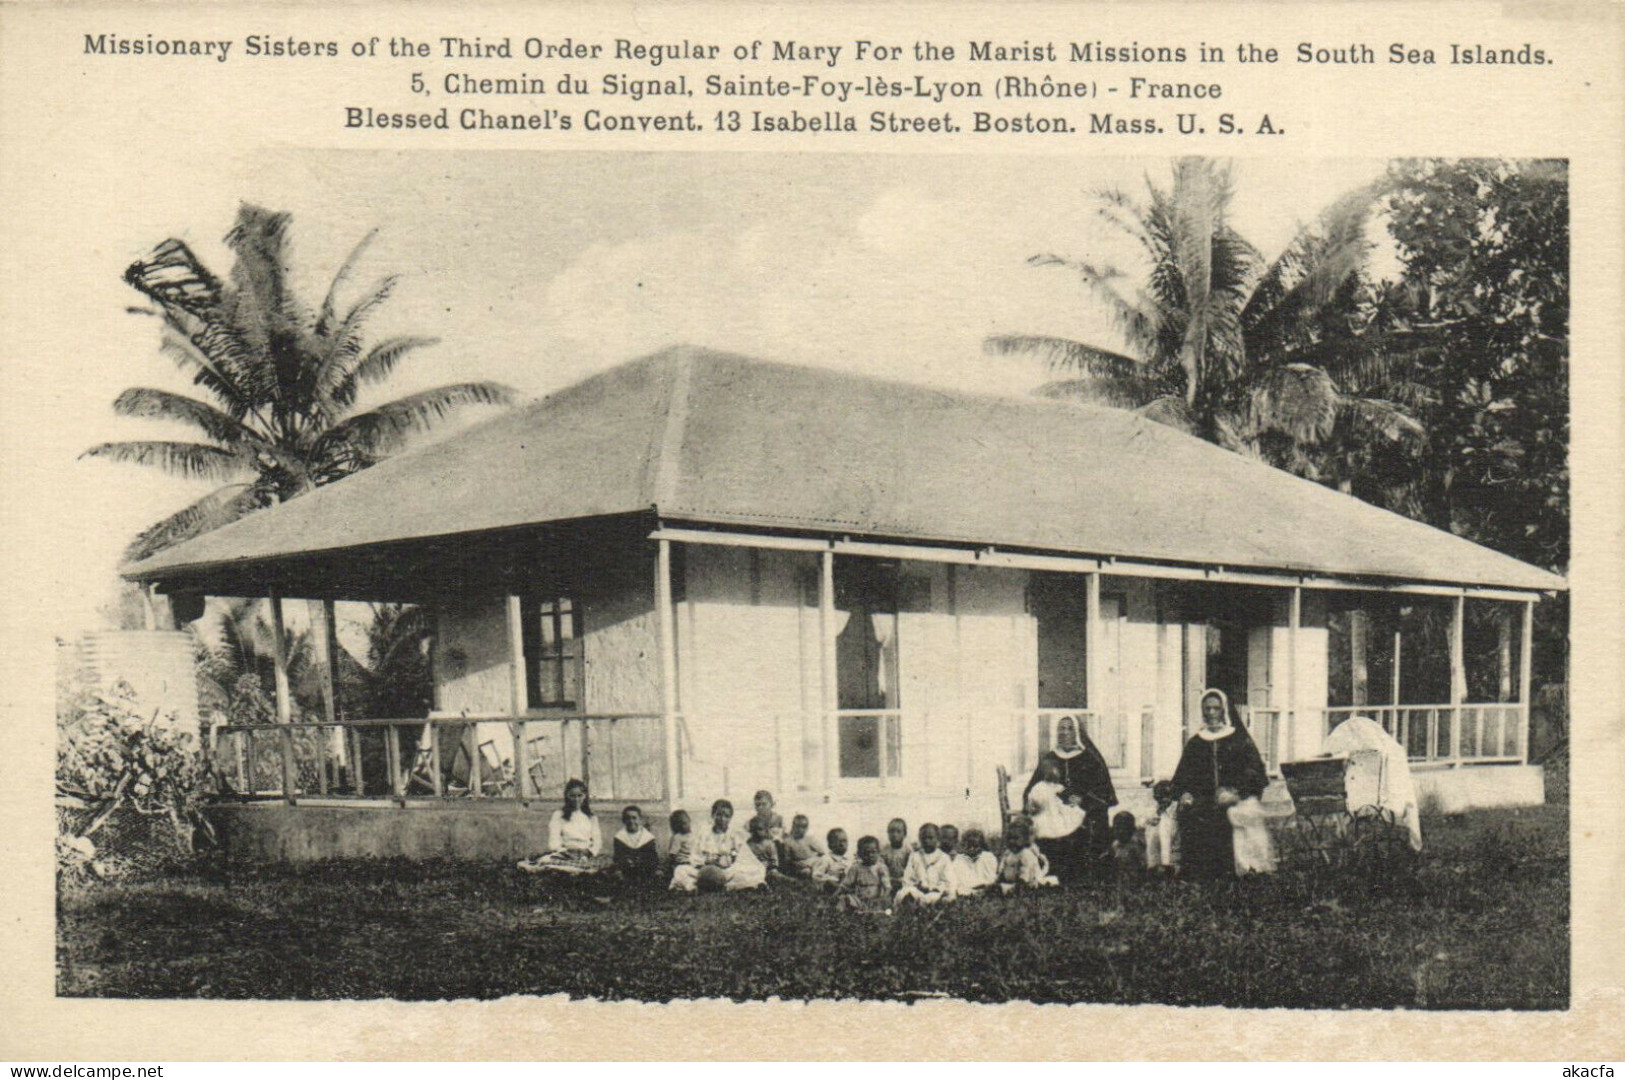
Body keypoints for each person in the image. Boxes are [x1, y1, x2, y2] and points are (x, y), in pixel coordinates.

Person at [1169, 688, 1270, 880]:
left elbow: (1254, 772)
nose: (1211, 713)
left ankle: (1238, 872)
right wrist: (1185, 793)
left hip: (1233, 799)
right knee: (1192, 815)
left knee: (1229, 817)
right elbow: (1182, 776)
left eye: (1216, 708)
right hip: (1203, 800)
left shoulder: (1239, 739)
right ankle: (1197, 874)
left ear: (1224, 710)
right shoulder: (1196, 742)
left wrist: (1237, 793)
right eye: (1207, 709)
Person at [1022, 713, 1116, 882]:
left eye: (1069, 729)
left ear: (1077, 733)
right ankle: (1048, 871)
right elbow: (1032, 788)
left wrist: (1083, 800)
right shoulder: (1049, 758)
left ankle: (1081, 874)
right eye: (1061, 729)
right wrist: (1032, 803)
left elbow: (1103, 791)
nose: (1065, 733)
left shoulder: (1090, 758)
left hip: (1082, 810)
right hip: (1051, 812)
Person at [670, 799, 767, 892]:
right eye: (719, 815)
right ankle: (692, 887)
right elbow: (694, 856)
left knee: (756, 869)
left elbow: (744, 858)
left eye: (726, 816)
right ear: (713, 815)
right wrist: (706, 861)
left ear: (730, 818)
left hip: (727, 872)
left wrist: (729, 860)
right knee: (681, 870)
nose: (722, 819)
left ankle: (728, 886)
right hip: (705, 872)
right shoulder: (703, 834)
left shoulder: (735, 835)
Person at [895, 823, 952, 906]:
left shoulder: (944, 858)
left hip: (935, 892)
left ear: (937, 839)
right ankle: (909, 911)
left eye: (930, 838)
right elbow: (907, 878)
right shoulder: (914, 856)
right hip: (918, 890)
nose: (926, 841)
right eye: (923, 838)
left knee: (930, 899)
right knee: (902, 894)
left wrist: (934, 888)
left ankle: (923, 911)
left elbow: (947, 881)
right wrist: (916, 885)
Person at [997, 817, 1057, 893]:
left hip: (1027, 879)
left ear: (1025, 839)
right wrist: (1000, 876)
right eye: (1009, 838)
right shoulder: (1008, 853)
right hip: (1011, 880)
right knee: (1002, 887)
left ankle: (1048, 883)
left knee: (1032, 885)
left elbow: (1024, 870)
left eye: (1016, 838)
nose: (1011, 841)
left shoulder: (1025, 853)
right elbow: (1002, 866)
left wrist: (1021, 882)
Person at [837, 836, 892, 913]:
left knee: (884, 906)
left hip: (875, 900)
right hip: (859, 899)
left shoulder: (881, 868)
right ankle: (846, 912)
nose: (870, 855)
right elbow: (845, 885)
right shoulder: (856, 868)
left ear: (878, 852)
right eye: (866, 853)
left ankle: (871, 912)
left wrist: (882, 898)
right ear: (859, 854)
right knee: (845, 899)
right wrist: (836, 895)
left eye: (873, 852)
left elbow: (887, 887)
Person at [612, 805, 660, 886]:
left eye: (634, 818)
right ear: (624, 820)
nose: (631, 821)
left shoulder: (648, 837)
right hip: (627, 870)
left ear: (640, 820)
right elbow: (618, 857)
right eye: (628, 818)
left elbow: (653, 857)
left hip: (644, 869)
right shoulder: (619, 837)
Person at [947, 827, 998, 898]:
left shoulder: (988, 857)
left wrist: (986, 885)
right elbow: (956, 877)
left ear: (982, 846)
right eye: (968, 846)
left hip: (984, 886)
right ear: (964, 846)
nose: (972, 849)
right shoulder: (959, 858)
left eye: (975, 846)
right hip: (966, 888)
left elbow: (991, 876)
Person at [1145, 779, 1180, 874]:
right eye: (1159, 797)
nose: (1164, 800)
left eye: (1167, 796)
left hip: (1173, 851)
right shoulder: (1155, 810)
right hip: (1157, 851)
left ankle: (1168, 866)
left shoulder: (1176, 810)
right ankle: (1154, 866)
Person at [779, 813, 826, 879]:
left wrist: (815, 860)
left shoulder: (809, 839)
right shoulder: (788, 841)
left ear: (807, 828)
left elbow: (822, 852)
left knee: (823, 861)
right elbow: (787, 859)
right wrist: (796, 864)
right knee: (806, 872)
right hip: (800, 864)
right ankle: (814, 877)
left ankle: (818, 876)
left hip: (813, 862)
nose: (800, 829)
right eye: (797, 826)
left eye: (803, 827)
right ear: (793, 826)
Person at [1110, 811, 1146, 878]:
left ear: (1133, 829)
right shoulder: (1115, 845)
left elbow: (1143, 865)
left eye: (1125, 829)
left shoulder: (1137, 846)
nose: (1121, 832)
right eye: (1117, 828)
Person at [879, 818, 913, 886]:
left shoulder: (908, 850)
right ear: (888, 833)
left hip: (903, 880)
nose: (894, 834)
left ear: (904, 834)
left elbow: (910, 868)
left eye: (898, 832)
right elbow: (881, 867)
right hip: (888, 880)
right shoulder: (884, 850)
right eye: (891, 831)